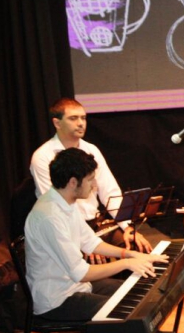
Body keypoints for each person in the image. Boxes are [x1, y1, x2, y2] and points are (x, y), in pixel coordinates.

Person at [23, 148, 168, 333]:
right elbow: (81, 273)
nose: (94, 185)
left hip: (74, 286)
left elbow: (91, 243)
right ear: (73, 182)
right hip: (57, 299)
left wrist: (129, 254)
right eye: (90, 179)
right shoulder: (49, 216)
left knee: (140, 294)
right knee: (132, 311)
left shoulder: (65, 202)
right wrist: (125, 264)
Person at [29, 98, 153, 253]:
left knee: (136, 248)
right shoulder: (43, 156)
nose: (81, 123)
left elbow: (110, 192)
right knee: (96, 259)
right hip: (66, 230)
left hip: (95, 224)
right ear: (57, 123)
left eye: (83, 118)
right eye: (73, 118)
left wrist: (126, 226)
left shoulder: (91, 150)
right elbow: (56, 205)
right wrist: (87, 241)